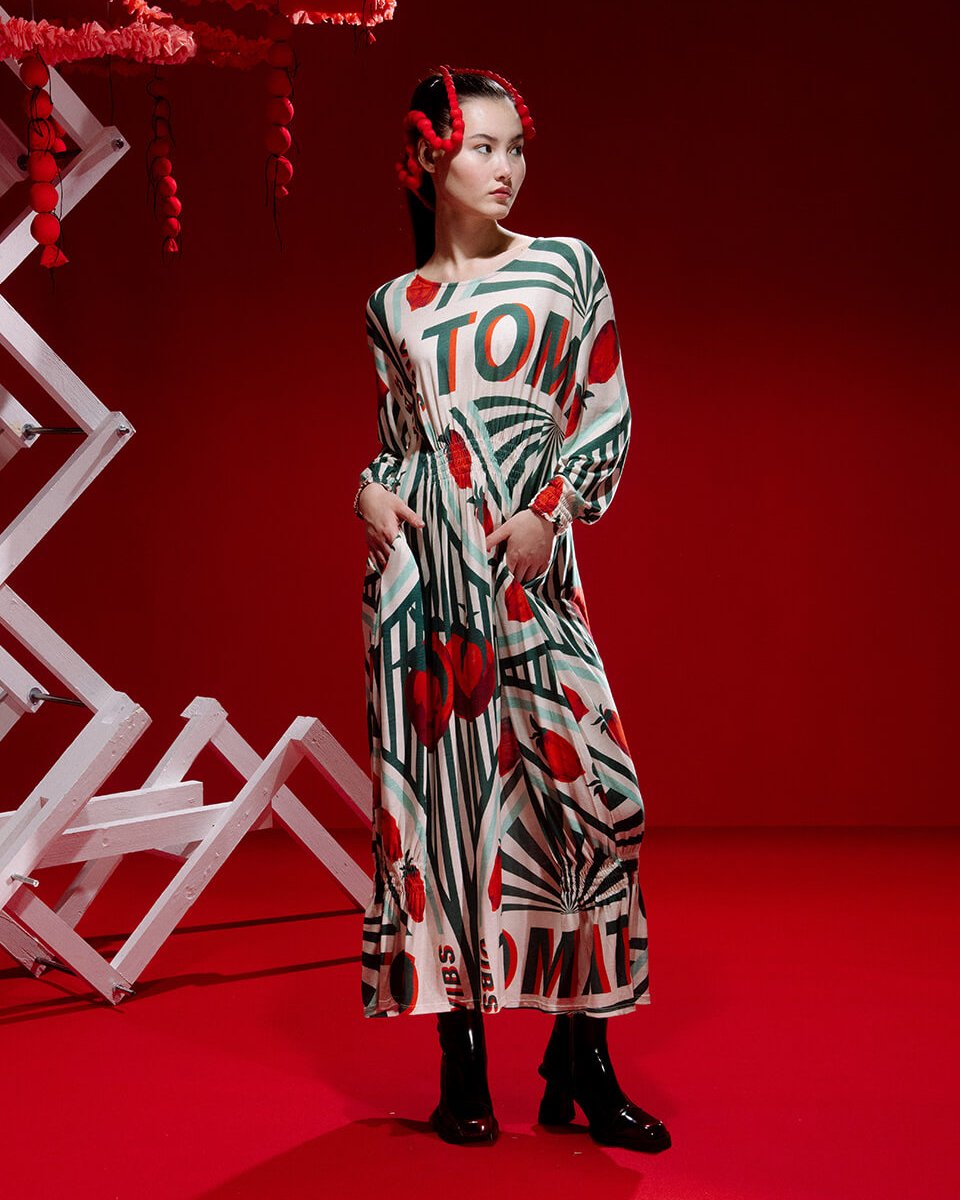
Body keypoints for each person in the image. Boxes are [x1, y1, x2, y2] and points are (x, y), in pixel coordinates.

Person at [353, 65, 671, 1153]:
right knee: (448, 824)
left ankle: (580, 1059)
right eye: (482, 148)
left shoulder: (565, 268)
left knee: (604, 805)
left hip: (533, 582)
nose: (507, 169)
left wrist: (552, 510)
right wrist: (366, 490)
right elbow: (398, 440)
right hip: (427, 590)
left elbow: (604, 409)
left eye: (516, 148)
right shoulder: (391, 306)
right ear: (426, 159)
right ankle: (463, 1069)